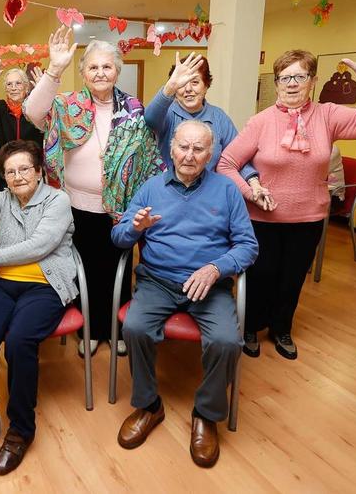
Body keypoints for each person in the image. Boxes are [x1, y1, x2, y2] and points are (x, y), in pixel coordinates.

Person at [218, 38, 356, 360]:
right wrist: (250, 191)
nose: (292, 84)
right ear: (277, 82)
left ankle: (282, 328)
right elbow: (226, 164)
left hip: (308, 217)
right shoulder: (261, 121)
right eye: (285, 77)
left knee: (293, 276)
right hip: (262, 219)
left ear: (313, 82)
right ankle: (250, 328)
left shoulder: (328, 115)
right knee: (261, 275)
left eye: (300, 77)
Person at [112, 120, 258, 468]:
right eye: (183, 147)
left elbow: (248, 246)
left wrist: (216, 268)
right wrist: (134, 228)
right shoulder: (150, 187)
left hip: (208, 284)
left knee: (226, 341)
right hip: (157, 281)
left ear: (211, 153)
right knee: (134, 328)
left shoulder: (226, 190)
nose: (189, 156)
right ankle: (149, 406)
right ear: (171, 148)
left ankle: (206, 415)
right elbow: (117, 238)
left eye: (198, 149)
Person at [24, 26, 163, 357]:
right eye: (93, 67)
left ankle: (116, 329)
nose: (101, 73)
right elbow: (32, 112)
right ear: (83, 72)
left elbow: (146, 155)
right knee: (84, 269)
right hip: (76, 205)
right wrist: (54, 69)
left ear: (117, 70)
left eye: (107, 66)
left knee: (118, 270)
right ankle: (89, 329)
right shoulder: (67, 105)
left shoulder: (133, 108)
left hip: (122, 208)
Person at [0, 141, 78, 475]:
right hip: (4, 284)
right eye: (10, 172)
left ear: (39, 172)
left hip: (45, 284)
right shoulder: (4, 199)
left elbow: (39, 245)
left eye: (24, 169)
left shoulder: (58, 200)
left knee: (19, 341)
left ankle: (20, 429)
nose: (17, 176)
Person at [144, 52, 265, 197]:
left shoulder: (219, 117)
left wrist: (253, 181)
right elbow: (150, 118)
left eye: (195, 82)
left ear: (206, 86)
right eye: (182, 84)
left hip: (209, 195)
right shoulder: (166, 114)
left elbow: (237, 157)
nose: (188, 89)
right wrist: (170, 86)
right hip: (168, 194)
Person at [0, 58, 43, 190]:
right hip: (6, 171)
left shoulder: (35, 108)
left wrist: (42, 91)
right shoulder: (0, 108)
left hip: (31, 169)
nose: (13, 88)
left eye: (18, 83)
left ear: (26, 87)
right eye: (9, 84)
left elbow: (51, 111)